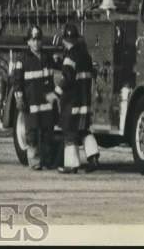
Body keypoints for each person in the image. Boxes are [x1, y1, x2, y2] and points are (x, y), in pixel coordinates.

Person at [56, 22, 99, 174]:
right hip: (84, 102)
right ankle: (93, 157)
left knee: (70, 133)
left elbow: (66, 78)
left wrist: (56, 93)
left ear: (64, 40)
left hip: (71, 102)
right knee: (84, 130)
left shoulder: (69, 57)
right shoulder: (86, 56)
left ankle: (71, 164)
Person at [11, 24, 56, 170]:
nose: (36, 42)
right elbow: (17, 82)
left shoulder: (47, 58)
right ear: (28, 42)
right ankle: (35, 162)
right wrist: (19, 98)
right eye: (33, 39)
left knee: (47, 134)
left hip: (46, 104)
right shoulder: (22, 60)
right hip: (31, 104)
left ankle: (48, 161)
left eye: (38, 39)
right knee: (32, 134)